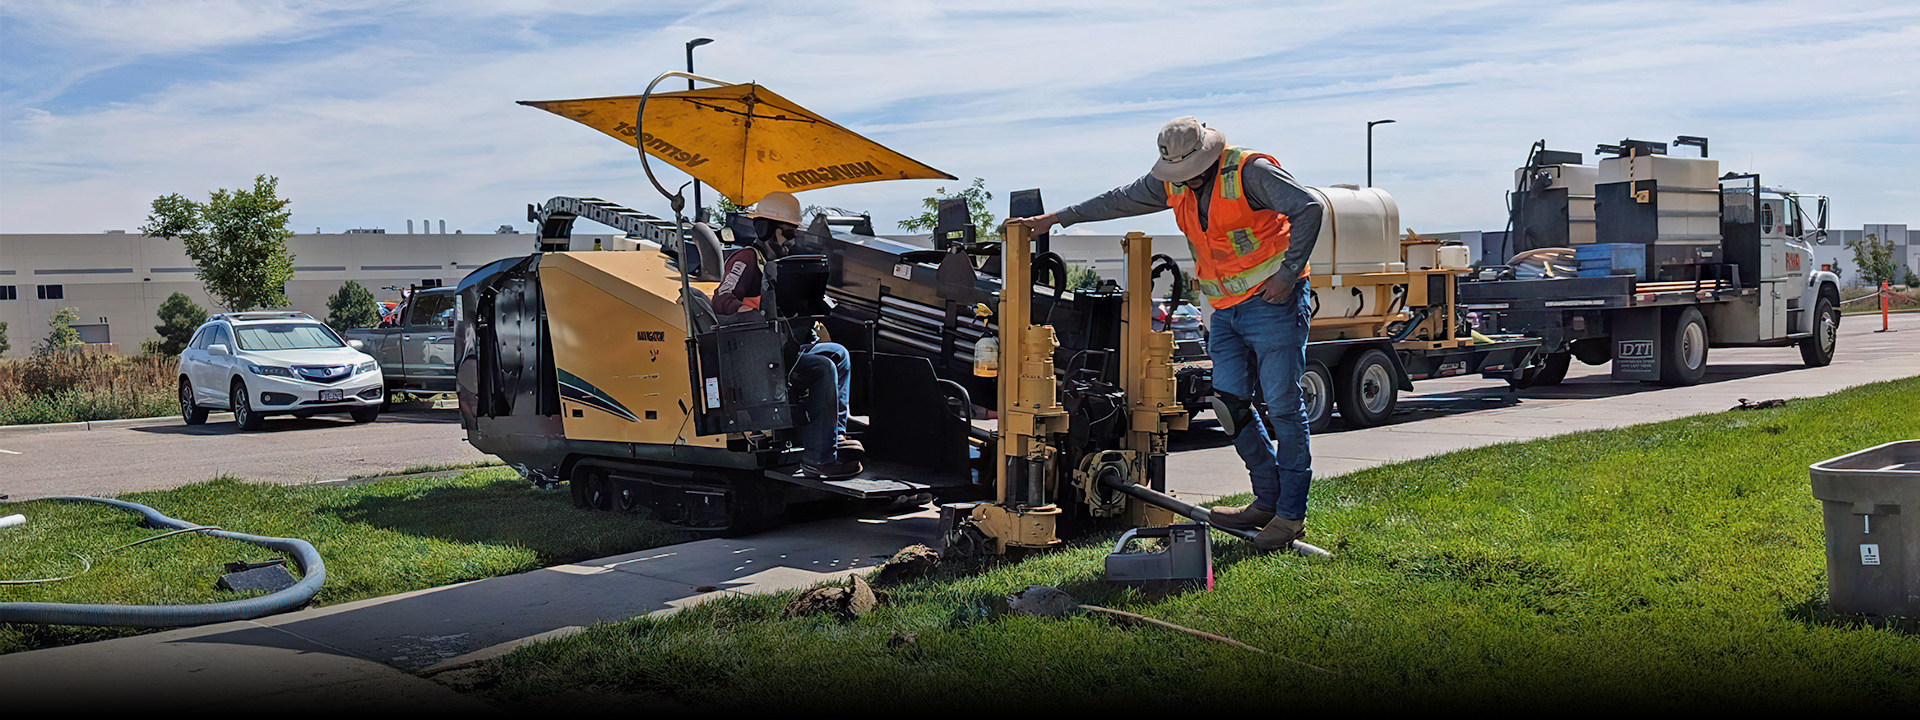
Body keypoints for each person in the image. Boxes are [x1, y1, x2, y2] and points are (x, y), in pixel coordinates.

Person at [1017, 117, 1323, 551]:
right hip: (1225, 308)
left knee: (1285, 408)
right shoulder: (1173, 183)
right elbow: (1119, 200)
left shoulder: (1250, 172)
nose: (1182, 180)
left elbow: (1309, 207)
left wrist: (1289, 274)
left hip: (1272, 303)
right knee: (1229, 404)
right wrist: (1058, 219)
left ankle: (1290, 515)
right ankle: (1267, 498)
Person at [712, 191, 864, 479]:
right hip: (757, 357)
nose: (791, 241)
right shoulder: (745, 260)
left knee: (839, 355)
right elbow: (721, 299)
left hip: (784, 350)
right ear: (764, 228)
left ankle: (836, 437)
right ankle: (819, 459)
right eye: (787, 233)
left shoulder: (785, 265)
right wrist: (751, 314)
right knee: (822, 367)